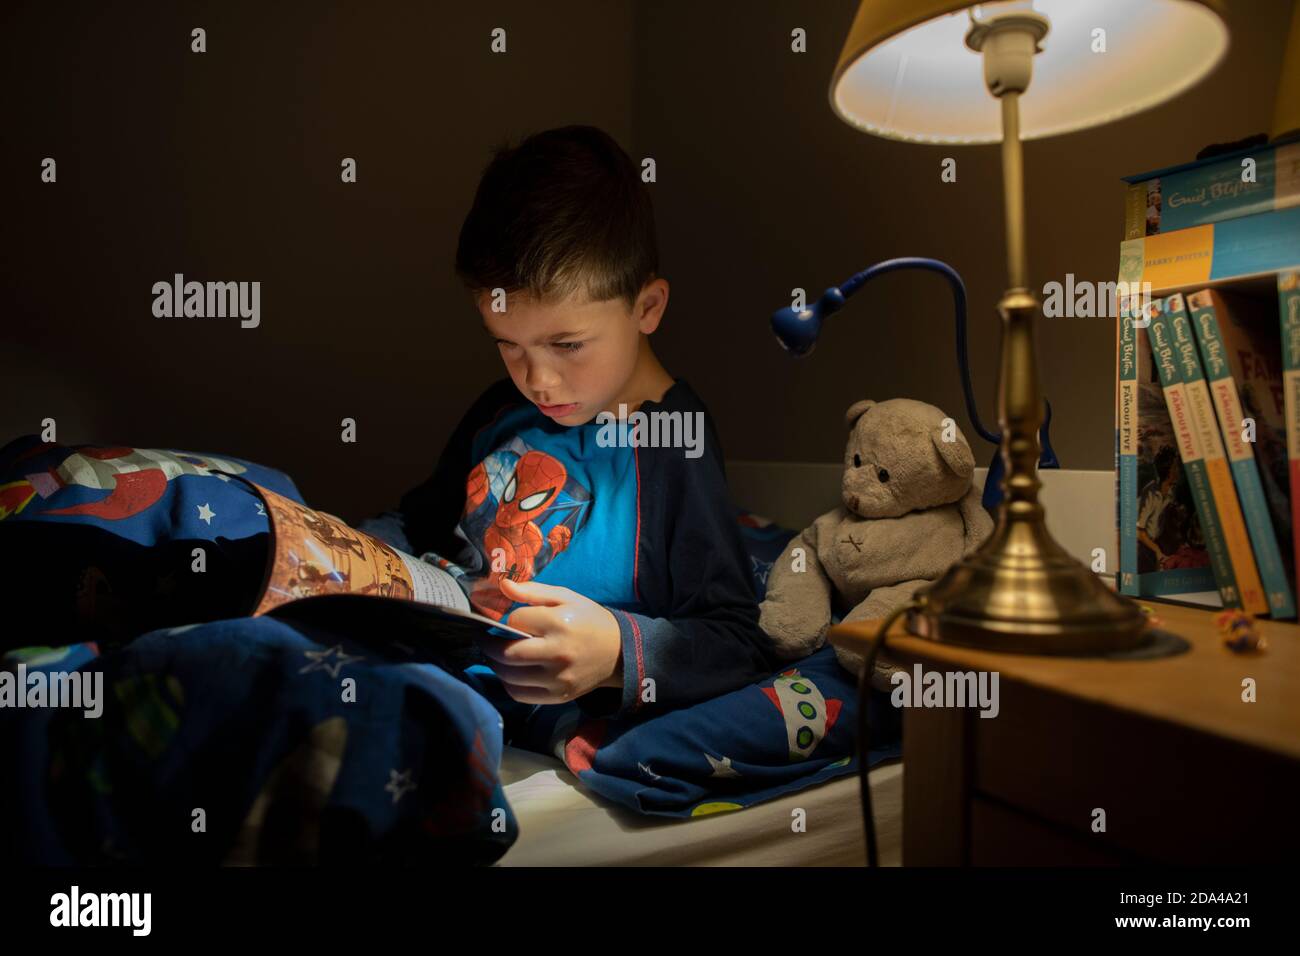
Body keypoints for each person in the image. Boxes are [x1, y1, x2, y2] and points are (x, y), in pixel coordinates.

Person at [359, 125, 779, 728]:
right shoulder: (501, 411)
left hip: (535, 709)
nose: (539, 380)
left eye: (567, 344)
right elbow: (416, 520)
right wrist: (346, 549)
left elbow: (736, 639)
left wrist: (614, 653)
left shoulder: (672, 445)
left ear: (647, 308)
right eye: (509, 345)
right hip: (442, 670)